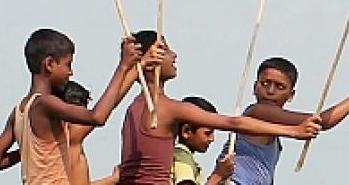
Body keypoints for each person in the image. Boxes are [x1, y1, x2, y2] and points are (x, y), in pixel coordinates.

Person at [117, 31, 321, 185]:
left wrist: (128, 67)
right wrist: (293, 131)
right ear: (151, 61)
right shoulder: (169, 109)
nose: (174, 55)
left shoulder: (134, 108)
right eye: (165, 50)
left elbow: (102, 116)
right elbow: (233, 122)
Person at [0, 28, 142, 184]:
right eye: (68, 64)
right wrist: (123, 67)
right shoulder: (46, 104)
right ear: (49, 64)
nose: (70, 72)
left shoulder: (18, 111)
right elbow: (97, 117)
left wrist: (27, 151)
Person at [221, 56, 349, 185]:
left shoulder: (273, 132)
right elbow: (323, 121)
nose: (270, 91)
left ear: (291, 95)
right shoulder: (257, 111)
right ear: (255, 86)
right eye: (265, 83)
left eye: (279, 87)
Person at [172, 97, 234, 185]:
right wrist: (218, 175)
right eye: (207, 133)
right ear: (186, 131)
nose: (212, 139)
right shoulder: (181, 155)